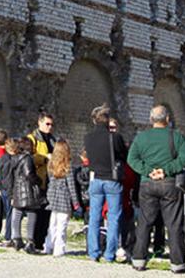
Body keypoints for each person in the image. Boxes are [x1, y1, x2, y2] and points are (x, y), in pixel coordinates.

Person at [127, 105, 185, 274]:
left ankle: (139, 260)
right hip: (169, 183)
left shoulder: (141, 138)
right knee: (174, 224)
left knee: (144, 222)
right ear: (167, 119)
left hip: (147, 184)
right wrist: (166, 170)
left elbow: (131, 159)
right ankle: (177, 264)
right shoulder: (177, 137)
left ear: (151, 120)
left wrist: (148, 171)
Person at [83, 107, 127, 262]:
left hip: (95, 179)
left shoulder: (88, 138)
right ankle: (109, 254)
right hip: (112, 180)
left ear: (94, 119)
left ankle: (93, 252)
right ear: (108, 120)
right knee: (113, 217)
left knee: (94, 217)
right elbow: (123, 155)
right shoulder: (115, 137)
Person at [44, 139, 81, 256]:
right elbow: (71, 186)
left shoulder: (50, 165)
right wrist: (75, 202)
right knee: (62, 225)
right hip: (64, 198)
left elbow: (50, 181)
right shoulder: (67, 167)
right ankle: (59, 249)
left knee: (52, 224)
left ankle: (48, 245)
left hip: (52, 196)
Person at [27, 111, 56, 249]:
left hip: (51, 180)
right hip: (38, 180)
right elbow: (29, 157)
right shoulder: (32, 139)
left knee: (47, 213)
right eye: (47, 124)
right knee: (36, 212)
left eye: (51, 124)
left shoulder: (52, 139)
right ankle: (33, 240)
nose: (49, 127)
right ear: (39, 123)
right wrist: (45, 157)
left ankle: (41, 241)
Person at [10, 137, 43, 254]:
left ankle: (17, 239)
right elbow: (29, 173)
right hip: (27, 190)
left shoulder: (14, 158)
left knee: (18, 213)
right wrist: (38, 181)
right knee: (31, 214)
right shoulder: (27, 158)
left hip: (17, 189)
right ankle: (30, 242)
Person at [0, 137, 18, 244]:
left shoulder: (3, 158)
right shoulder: (13, 161)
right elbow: (11, 179)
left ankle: (9, 236)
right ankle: (9, 237)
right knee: (11, 214)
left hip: (3, 189)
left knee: (9, 213)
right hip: (10, 190)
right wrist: (12, 194)